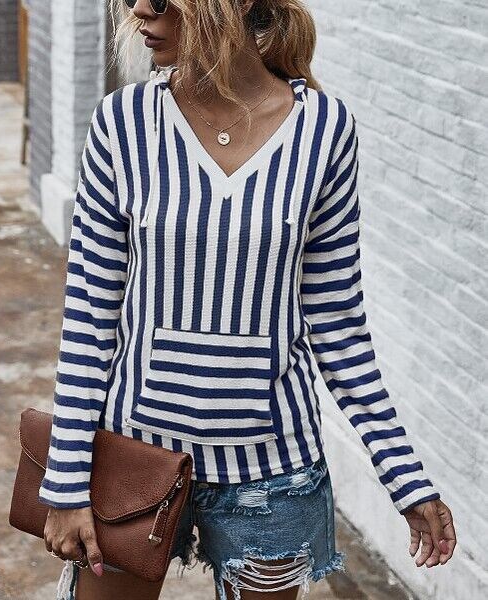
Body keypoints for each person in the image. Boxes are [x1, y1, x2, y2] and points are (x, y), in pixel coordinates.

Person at [37, 1, 457, 599]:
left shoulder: (323, 130)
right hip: (132, 457)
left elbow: (339, 326)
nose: (138, 11)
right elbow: (88, 316)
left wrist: (404, 476)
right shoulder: (123, 123)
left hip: (273, 479)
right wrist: (66, 480)